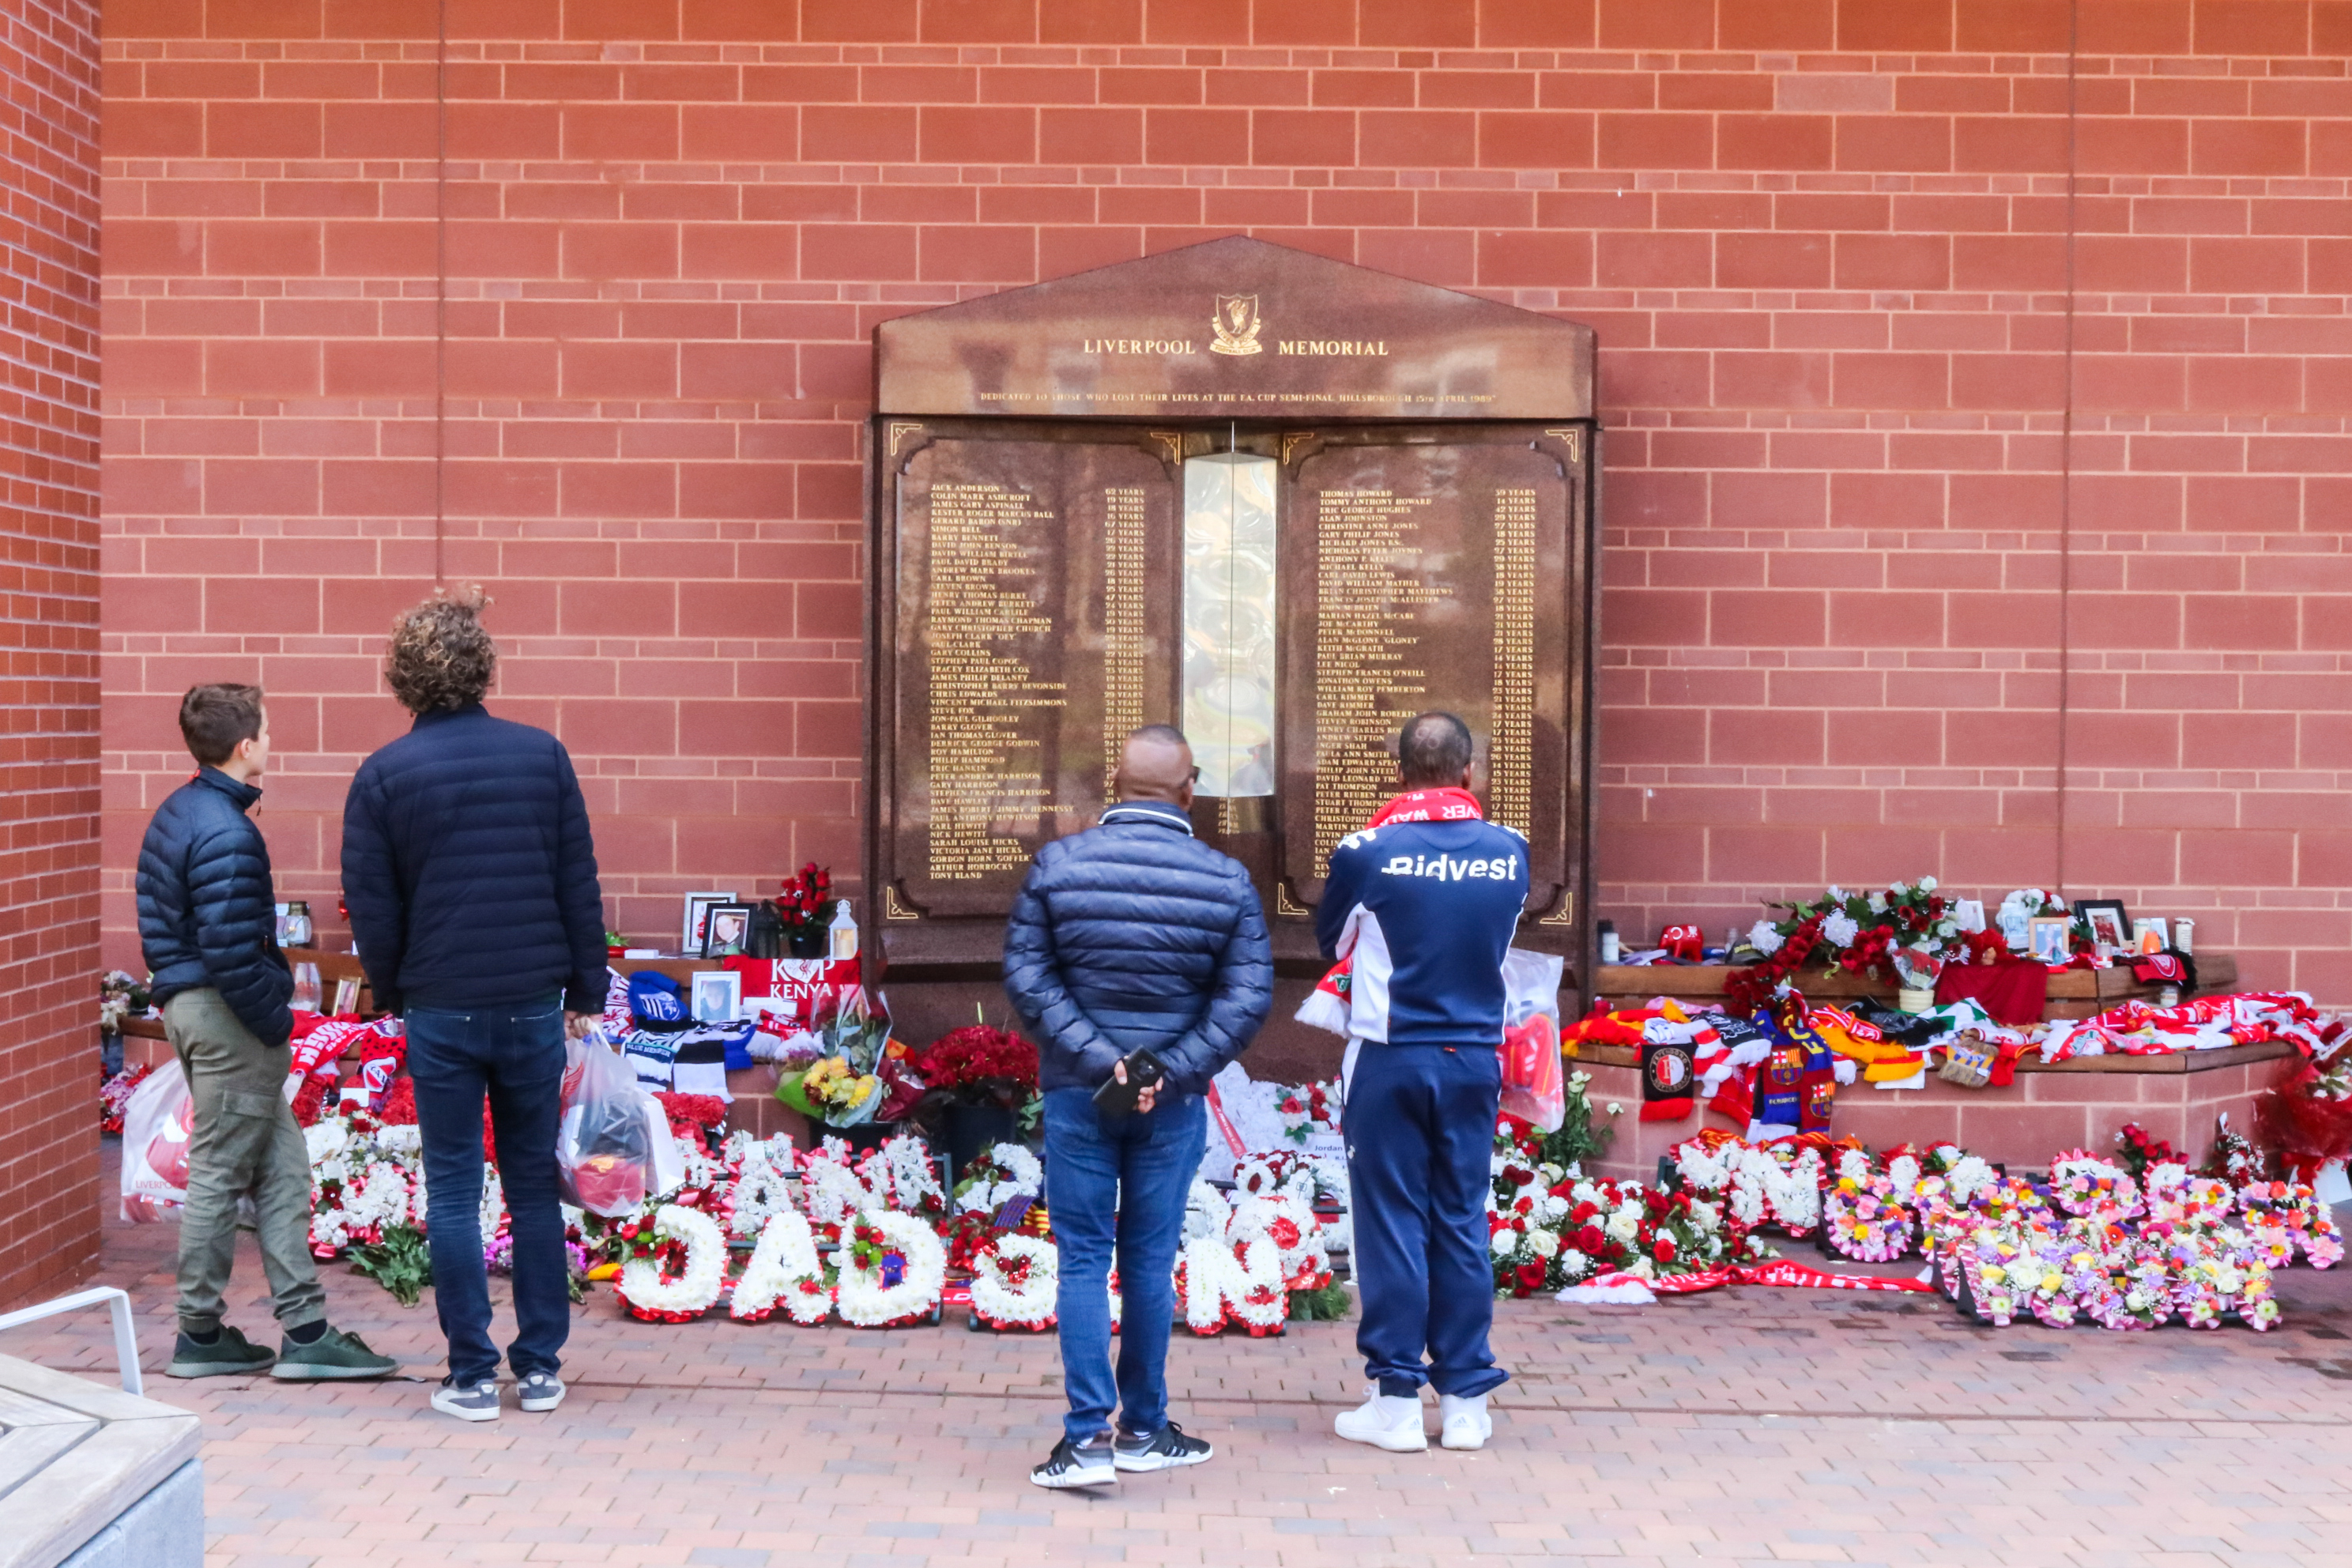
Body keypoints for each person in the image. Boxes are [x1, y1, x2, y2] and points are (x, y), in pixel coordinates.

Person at [341, 594, 610, 1423]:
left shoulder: (383, 775)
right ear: (485, 668)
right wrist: (586, 991)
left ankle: (467, 1373)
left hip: (441, 1004)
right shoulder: (543, 756)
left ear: (402, 679)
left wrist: (394, 992)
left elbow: (373, 905)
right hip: (532, 1003)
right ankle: (538, 1368)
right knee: (531, 1184)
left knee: (454, 1188)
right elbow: (578, 883)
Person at [1004, 725, 1274, 1488]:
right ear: (1191, 790)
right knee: (1150, 1261)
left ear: (1111, 784)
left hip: (1077, 1091)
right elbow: (1247, 995)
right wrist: (1169, 1070)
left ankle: (1087, 1441)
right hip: (1171, 1101)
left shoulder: (1058, 866)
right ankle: (1144, 1429)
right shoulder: (1225, 880)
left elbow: (1029, 975)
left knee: (1085, 1259)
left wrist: (1103, 1062)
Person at [137, 683, 398, 1382]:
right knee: (221, 1173)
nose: (274, 741)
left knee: (284, 1171)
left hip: (199, 1009)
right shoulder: (227, 830)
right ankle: (198, 1332)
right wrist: (277, 1018)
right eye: (270, 731)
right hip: (228, 1018)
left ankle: (307, 1330)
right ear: (245, 746)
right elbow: (228, 950)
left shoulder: (181, 810)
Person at [1317, 711, 1528, 1453]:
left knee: (1391, 1222)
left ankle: (1397, 1399)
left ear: (1400, 775)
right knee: (1462, 1219)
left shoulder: (1365, 851)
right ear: (1469, 774)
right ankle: (1466, 1400)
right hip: (1474, 1058)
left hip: (1389, 1055)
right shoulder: (1511, 853)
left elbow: (1334, 941)